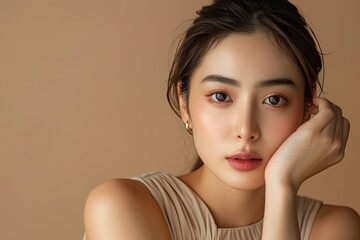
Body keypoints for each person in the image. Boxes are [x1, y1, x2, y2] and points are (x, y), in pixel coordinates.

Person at [83, 0, 360, 239]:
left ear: (306, 109)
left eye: (274, 99)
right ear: (184, 102)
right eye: (220, 96)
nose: (246, 130)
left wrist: (282, 185)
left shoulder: (332, 228)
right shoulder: (120, 206)